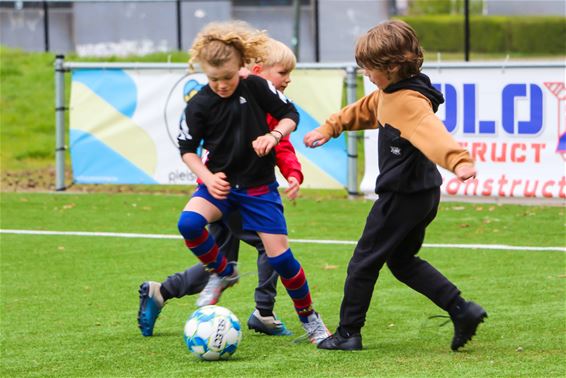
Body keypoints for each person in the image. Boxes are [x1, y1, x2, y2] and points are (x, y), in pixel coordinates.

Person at [303, 20, 487, 351]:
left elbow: (432, 132)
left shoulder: (408, 102)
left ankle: (348, 333)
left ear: (391, 67)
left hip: (402, 196)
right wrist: (329, 128)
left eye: (369, 69)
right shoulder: (390, 94)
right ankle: (463, 310)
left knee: (363, 261)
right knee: (401, 261)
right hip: (422, 193)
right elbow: (363, 110)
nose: (366, 75)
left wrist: (458, 160)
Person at [167, 20, 330, 345]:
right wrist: (208, 178)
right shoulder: (198, 104)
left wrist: (273, 136)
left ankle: (310, 318)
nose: (221, 85)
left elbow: (290, 115)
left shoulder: (256, 87)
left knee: (281, 259)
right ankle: (223, 272)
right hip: (221, 187)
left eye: (227, 77)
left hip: (258, 189)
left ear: (241, 67)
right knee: (188, 223)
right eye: (213, 79)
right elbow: (187, 151)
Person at [137, 37, 303, 338]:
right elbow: (197, 148)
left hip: (231, 192)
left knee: (224, 264)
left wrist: (293, 173)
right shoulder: (247, 97)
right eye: (282, 73)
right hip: (225, 194)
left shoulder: (260, 100)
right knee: (266, 250)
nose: (287, 80)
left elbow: (283, 144)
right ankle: (263, 312)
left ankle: (162, 291)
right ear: (253, 70)